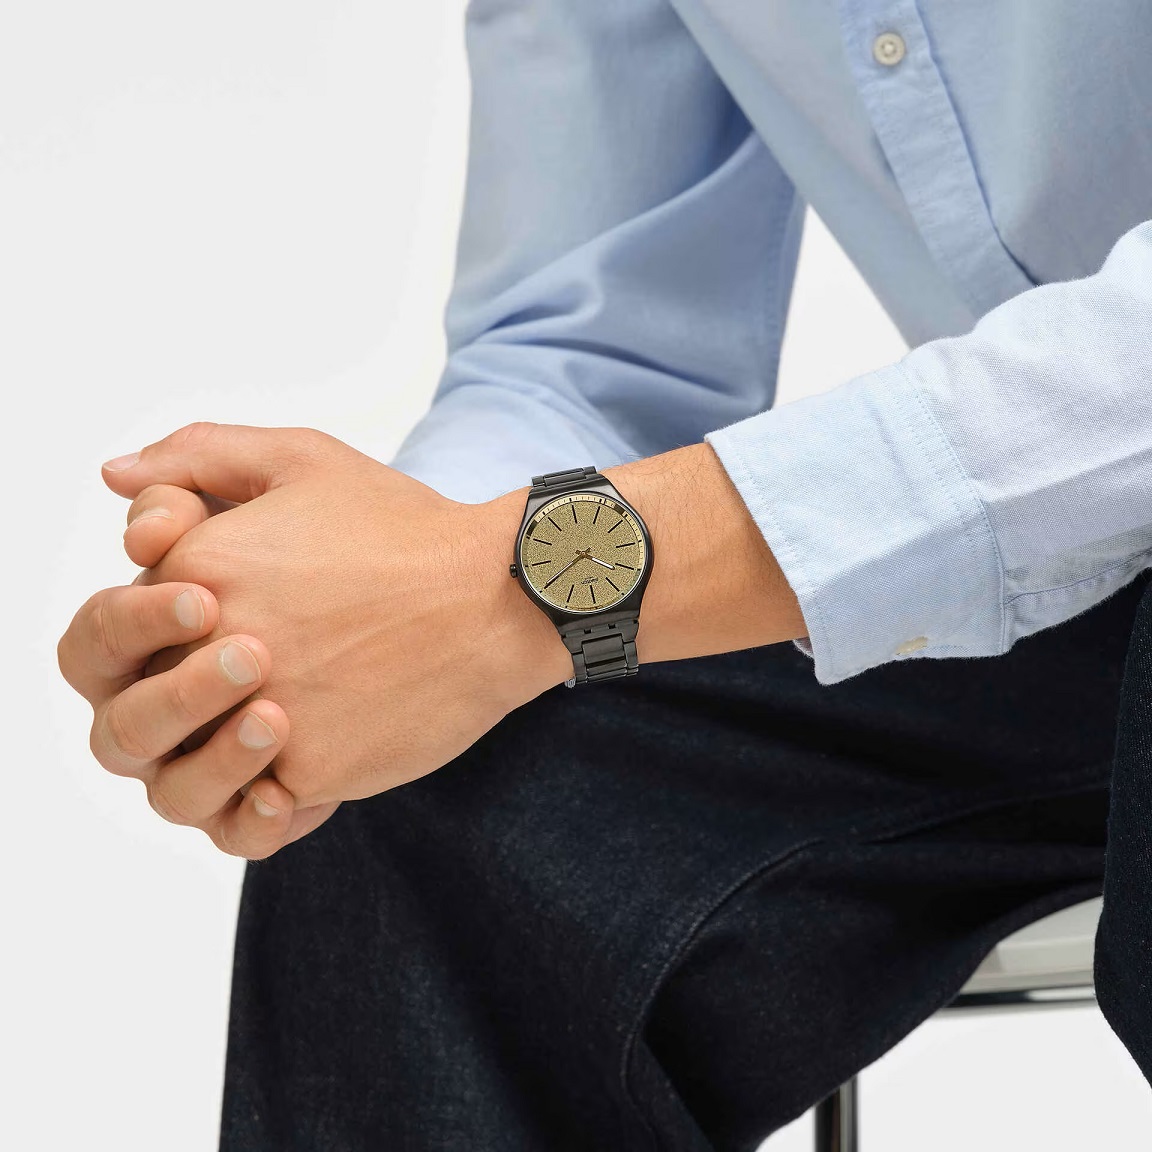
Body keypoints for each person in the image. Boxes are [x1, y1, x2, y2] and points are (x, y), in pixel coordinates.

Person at [56, 2, 1152, 1148]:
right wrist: (330, 615)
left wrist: (502, 586)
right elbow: (589, 348)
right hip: (1040, 587)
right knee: (433, 788)